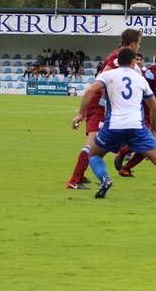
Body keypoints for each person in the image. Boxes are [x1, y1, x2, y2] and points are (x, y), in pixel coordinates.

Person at [72, 48, 156, 202]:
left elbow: (90, 90)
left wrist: (80, 114)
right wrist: (150, 131)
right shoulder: (140, 79)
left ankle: (105, 179)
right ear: (132, 62)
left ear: (118, 62)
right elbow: (154, 109)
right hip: (137, 126)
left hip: (113, 126)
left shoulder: (107, 75)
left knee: (94, 154)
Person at [65, 28, 141, 189]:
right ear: (133, 43)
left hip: (100, 104)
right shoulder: (117, 58)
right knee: (93, 144)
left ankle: (81, 174)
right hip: (98, 104)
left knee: (99, 144)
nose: (138, 47)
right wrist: (107, 103)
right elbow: (100, 82)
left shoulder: (119, 54)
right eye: (139, 43)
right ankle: (74, 179)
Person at [116, 47, 156, 177]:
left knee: (152, 142)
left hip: (155, 111)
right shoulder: (150, 74)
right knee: (147, 142)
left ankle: (125, 168)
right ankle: (123, 152)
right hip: (142, 110)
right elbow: (139, 90)